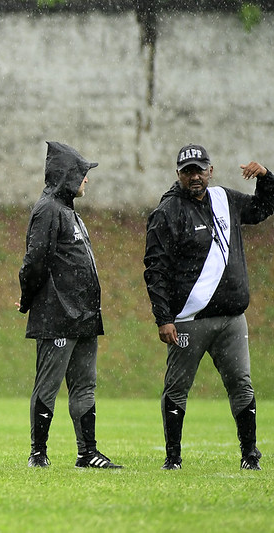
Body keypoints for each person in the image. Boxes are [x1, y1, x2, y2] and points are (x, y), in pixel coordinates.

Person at [143, 144, 274, 471]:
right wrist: (163, 318)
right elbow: (155, 269)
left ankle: (250, 456)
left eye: (200, 169)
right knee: (177, 388)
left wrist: (267, 178)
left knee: (241, 385)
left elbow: (261, 209)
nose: (195, 176)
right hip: (189, 321)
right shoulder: (167, 212)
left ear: (210, 170)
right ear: (178, 175)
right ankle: (172, 459)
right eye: (188, 171)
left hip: (232, 320)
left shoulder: (224, 199)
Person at [17, 141, 122, 469]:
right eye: (81, 174)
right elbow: (35, 261)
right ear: (66, 176)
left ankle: (87, 452)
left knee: (85, 385)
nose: (86, 180)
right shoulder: (47, 210)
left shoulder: (66, 211)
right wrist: (28, 297)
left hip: (84, 317)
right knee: (48, 385)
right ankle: (39, 453)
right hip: (58, 316)